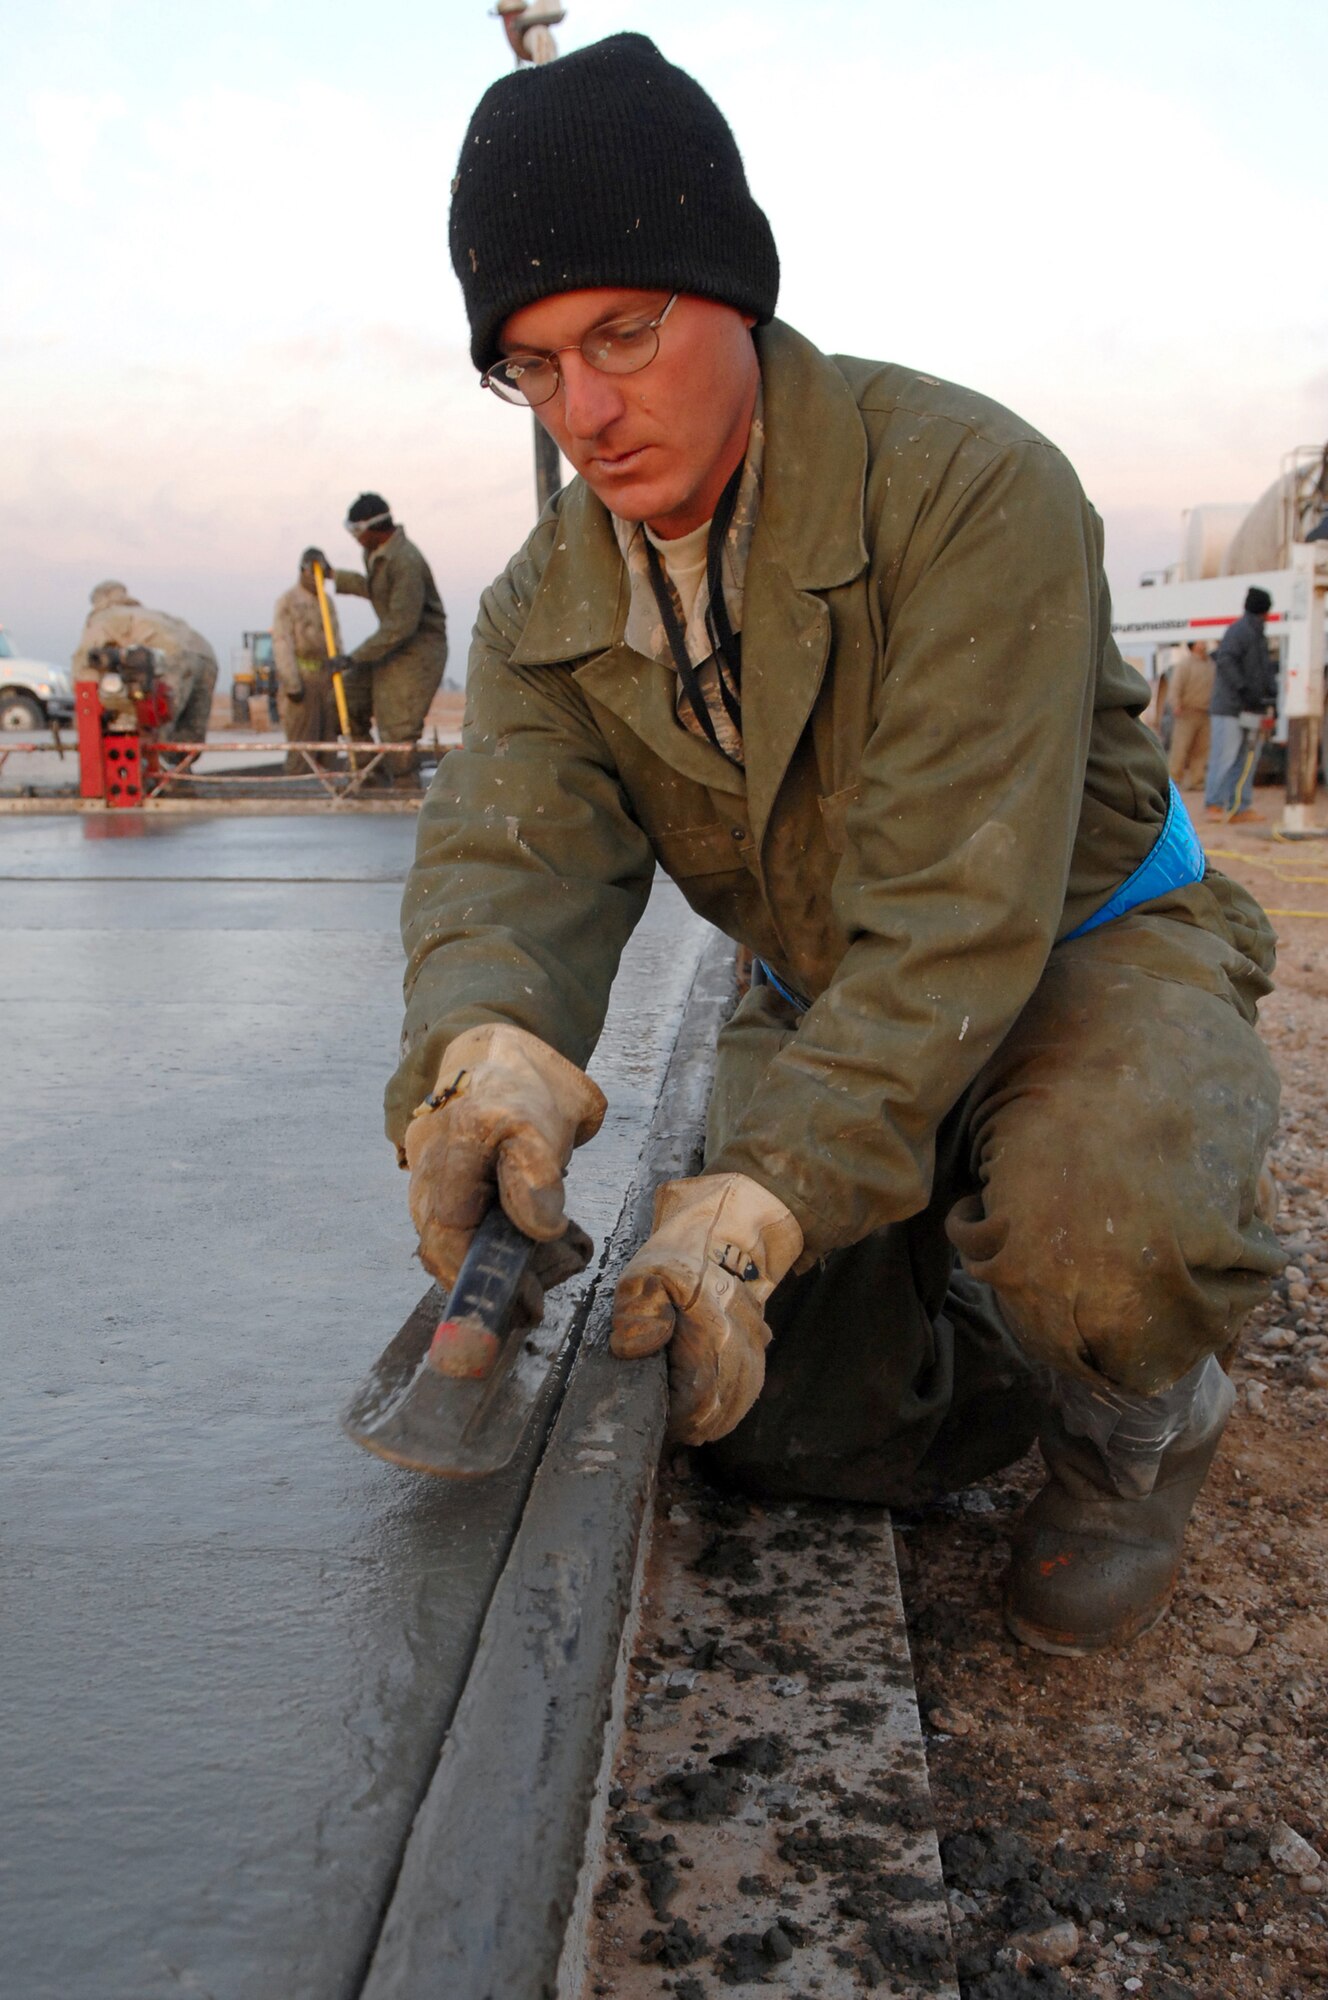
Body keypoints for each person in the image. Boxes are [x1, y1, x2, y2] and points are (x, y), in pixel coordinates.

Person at [395, 35, 1283, 1657]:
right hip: (824, 991)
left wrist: (768, 1197)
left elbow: (959, 923)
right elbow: (512, 861)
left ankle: (1134, 1419)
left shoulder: (966, 488)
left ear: (735, 294)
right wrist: (486, 1050)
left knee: (1104, 1234)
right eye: (532, 367)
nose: (585, 411)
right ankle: (976, 1298)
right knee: (765, 1416)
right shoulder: (544, 610)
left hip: (1078, 953)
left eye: (622, 333)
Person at [326, 495, 448, 784]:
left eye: (356, 531)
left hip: (416, 652)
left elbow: (401, 625)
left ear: (373, 528)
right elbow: (375, 588)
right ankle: (371, 778)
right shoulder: (376, 553)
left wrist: (353, 657)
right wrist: (331, 574)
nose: (355, 538)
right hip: (388, 648)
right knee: (343, 701)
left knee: (397, 733)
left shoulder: (406, 561)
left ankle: (405, 795)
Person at [73, 582, 219, 745]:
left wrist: (85, 709)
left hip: (172, 657)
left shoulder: (104, 616)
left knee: (154, 731)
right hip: (205, 655)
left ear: (98, 599)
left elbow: (87, 662)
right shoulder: (151, 614)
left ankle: (154, 756)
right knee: (187, 741)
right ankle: (182, 761)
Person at [1205, 588, 1277, 823]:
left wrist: (1270, 695)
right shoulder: (1239, 632)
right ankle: (1214, 804)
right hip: (1229, 708)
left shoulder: (1258, 635)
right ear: (1264, 610)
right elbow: (1225, 661)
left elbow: (1263, 670)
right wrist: (1243, 688)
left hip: (1250, 709)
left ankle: (1240, 807)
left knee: (1246, 761)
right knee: (1224, 758)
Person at [271, 548, 342, 773]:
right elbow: (282, 643)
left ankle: (328, 787)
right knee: (302, 746)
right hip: (302, 679)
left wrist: (340, 671)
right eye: (313, 570)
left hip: (326, 678)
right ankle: (298, 787)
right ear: (303, 570)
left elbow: (336, 638)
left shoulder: (326, 602)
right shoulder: (288, 601)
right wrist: (292, 683)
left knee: (329, 743)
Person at [1166, 642, 1214, 790]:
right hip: (1186, 712)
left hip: (1206, 713)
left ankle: (1197, 780)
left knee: (1201, 750)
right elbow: (1175, 686)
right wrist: (1176, 704)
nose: (1203, 643)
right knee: (1180, 749)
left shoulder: (1211, 665)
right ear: (1193, 645)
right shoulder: (1184, 665)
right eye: (1200, 641)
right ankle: (1173, 780)